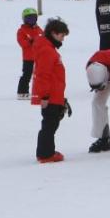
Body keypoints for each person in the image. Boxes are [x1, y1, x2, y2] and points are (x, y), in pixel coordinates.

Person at [32, 18, 70, 163]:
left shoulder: (49, 48)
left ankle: (47, 151)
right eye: (62, 36)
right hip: (50, 95)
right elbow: (43, 74)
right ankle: (45, 154)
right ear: (53, 33)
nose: (63, 39)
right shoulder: (47, 50)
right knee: (49, 124)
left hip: (55, 94)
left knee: (51, 123)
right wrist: (45, 96)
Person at [16, 7, 42, 98]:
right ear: (25, 20)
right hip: (28, 57)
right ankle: (22, 91)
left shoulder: (38, 29)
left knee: (41, 74)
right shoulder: (22, 31)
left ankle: (41, 91)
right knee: (27, 74)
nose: (31, 21)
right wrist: (30, 42)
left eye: (33, 18)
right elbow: (21, 42)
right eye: (29, 19)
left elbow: (43, 39)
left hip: (39, 57)